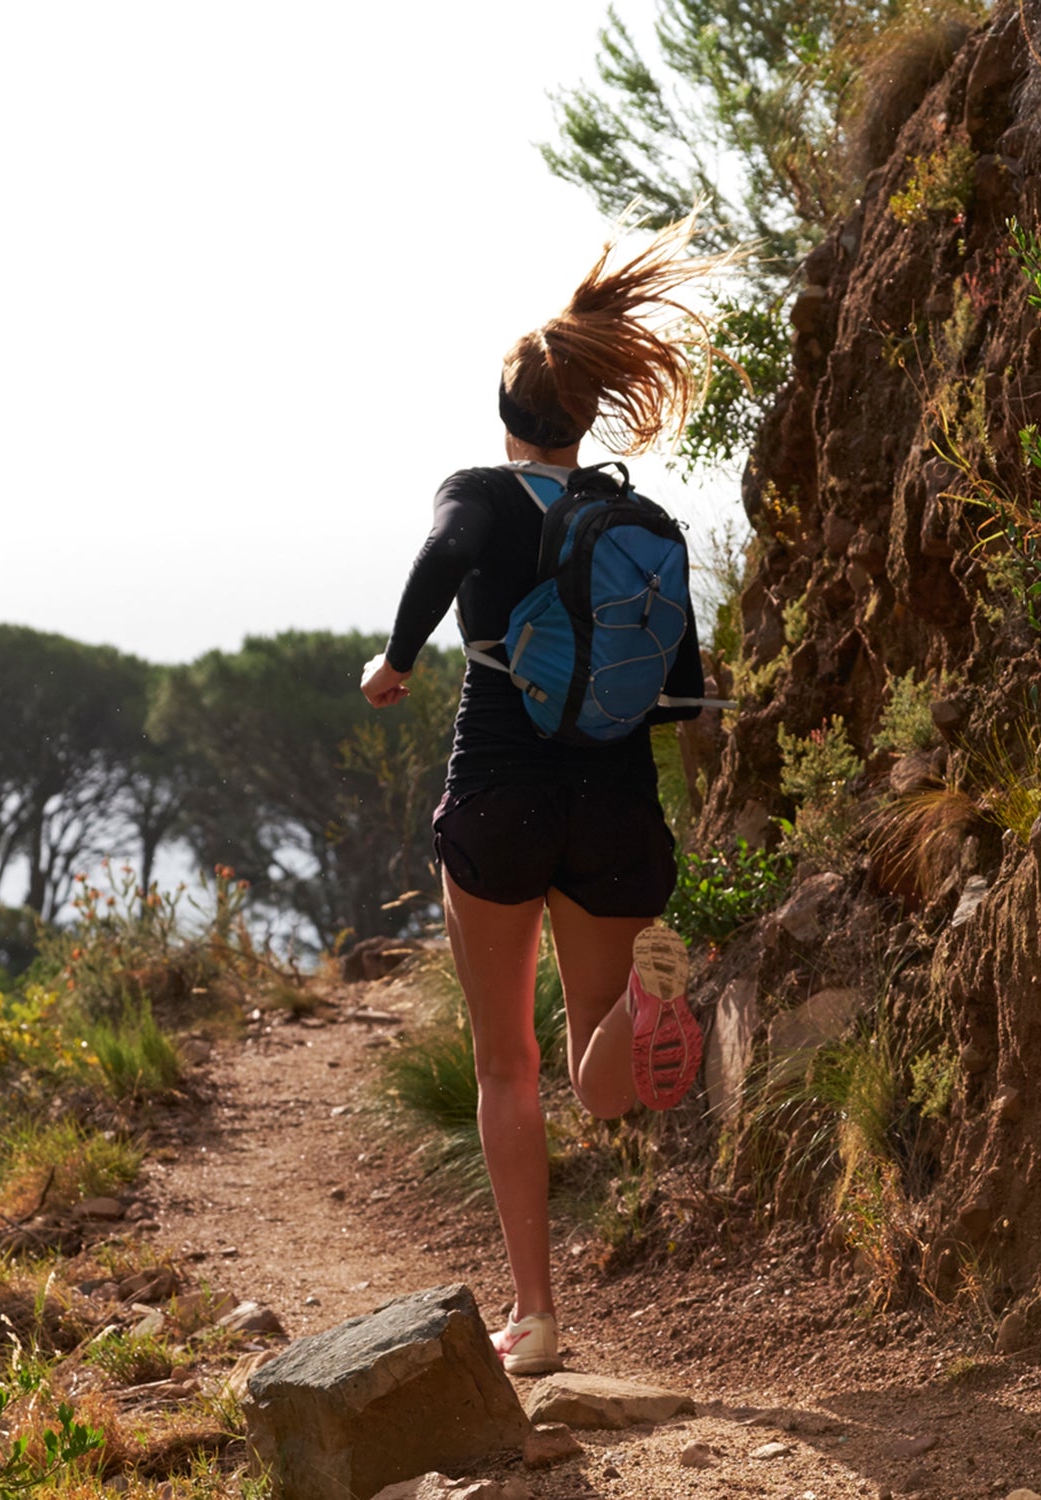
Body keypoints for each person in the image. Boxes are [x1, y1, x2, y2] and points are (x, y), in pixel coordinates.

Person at [360, 218, 727, 1376]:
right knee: (599, 1083)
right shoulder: (643, 528)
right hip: (614, 807)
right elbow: (682, 694)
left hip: (501, 796)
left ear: (507, 416)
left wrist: (397, 660)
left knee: (507, 1067)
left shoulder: (478, 492)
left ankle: (538, 1317)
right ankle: (650, 1005)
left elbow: (442, 555)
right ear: (586, 415)